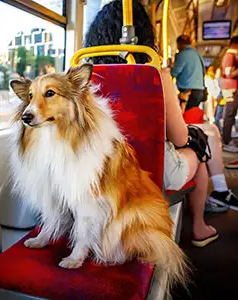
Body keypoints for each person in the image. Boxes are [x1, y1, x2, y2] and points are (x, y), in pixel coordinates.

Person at [84, 0, 218, 246]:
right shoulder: (155, 74)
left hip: (101, 173)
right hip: (153, 171)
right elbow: (179, 138)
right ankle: (199, 226)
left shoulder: (84, 76)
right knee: (199, 153)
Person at [171, 35, 206, 112]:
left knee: (185, 116)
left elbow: (174, 73)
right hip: (199, 91)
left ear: (179, 44)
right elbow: (204, 72)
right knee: (191, 115)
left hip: (188, 92)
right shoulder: (197, 54)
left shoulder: (182, 54)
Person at [220, 36, 238, 153]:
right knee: (229, 114)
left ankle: (227, 139)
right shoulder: (230, 56)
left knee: (230, 113)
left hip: (231, 88)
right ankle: (226, 141)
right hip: (231, 88)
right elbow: (229, 73)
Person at [214, 68, 226, 133]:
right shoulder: (222, 80)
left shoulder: (221, 80)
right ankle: (220, 131)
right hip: (221, 99)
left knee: (218, 117)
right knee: (218, 117)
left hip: (221, 99)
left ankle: (220, 131)